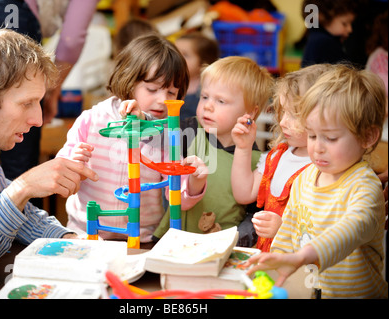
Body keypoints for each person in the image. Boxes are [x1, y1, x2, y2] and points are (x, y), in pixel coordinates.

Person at [0, 29, 98, 284]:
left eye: (39, 102)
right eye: (26, 103)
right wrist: (22, 188)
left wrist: (69, 241)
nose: (37, 120)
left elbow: (6, 208)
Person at [245, 65, 388, 299]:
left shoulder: (365, 187)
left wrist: (303, 256)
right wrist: (277, 266)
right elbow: (287, 236)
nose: (317, 147)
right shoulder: (304, 179)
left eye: (330, 138)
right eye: (312, 135)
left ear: (368, 136)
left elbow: (349, 230)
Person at [56, 34, 207, 243]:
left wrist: (195, 182)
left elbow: (178, 199)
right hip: (85, 235)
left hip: (141, 240)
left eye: (172, 93)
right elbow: (60, 172)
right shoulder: (91, 120)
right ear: (128, 80)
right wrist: (73, 161)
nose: (163, 100)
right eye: (152, 89)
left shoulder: (167, 134)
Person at [0, 0, 98, 185]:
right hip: (9, 13)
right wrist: (49, 91)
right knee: (19, 171)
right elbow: (72, 40)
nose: (36, 119)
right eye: (28, 103)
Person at [152, 56, 274, 242]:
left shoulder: (257, 160)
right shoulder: (189, 130)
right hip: (173, 239)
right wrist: (140, 117)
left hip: (221, 249)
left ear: (251, 112)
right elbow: (151, 136)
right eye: (205, 96)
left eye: (221, 101)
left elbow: (253, 213)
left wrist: (237, 240)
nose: (208, 106)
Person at [231, 64, 330, 252]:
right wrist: (243, 148)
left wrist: (283, 228)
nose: (283, 121)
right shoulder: (278, 156)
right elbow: (244, 194)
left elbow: (326, 231)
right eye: (283, 112)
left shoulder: (324, 167)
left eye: (294, 115)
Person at [174, 32, 219, 121]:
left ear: (203, 63)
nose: (177, 57)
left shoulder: (208, 87)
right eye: (175, 52)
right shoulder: (170, 81)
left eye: (185, 54)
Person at [301, 0, 358, 67]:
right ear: (323, 18)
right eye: (344, 24)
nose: (350, 29)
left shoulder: (314, 35)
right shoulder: (325, 42)